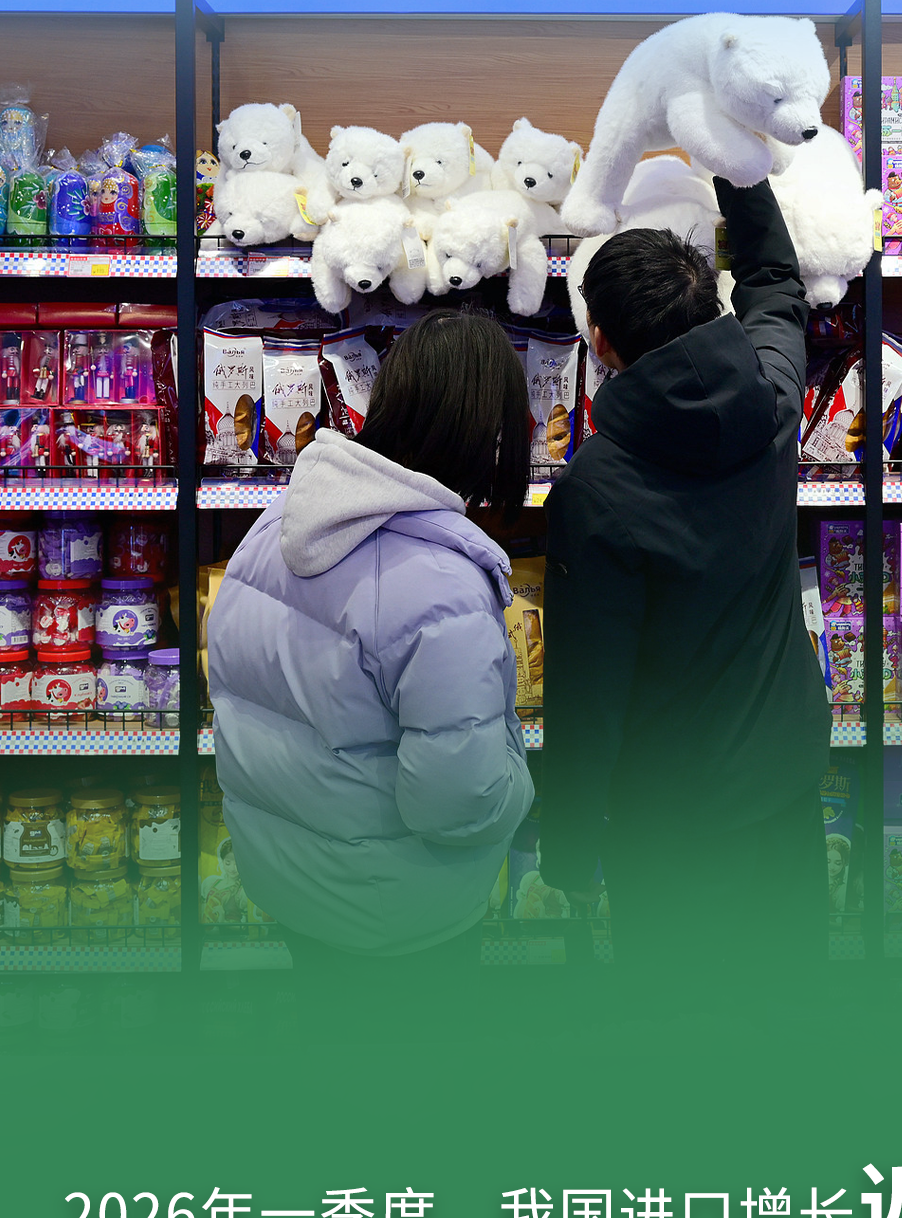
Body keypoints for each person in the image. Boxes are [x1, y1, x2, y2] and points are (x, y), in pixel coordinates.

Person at [538, 176, 832, 964]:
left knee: (676, 1014)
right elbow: (775, 280)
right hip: (784, 782)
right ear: (710, 307)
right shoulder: (773, 404)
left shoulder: (595, 492)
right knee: (792, 998)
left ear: (599, 341)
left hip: (669, 817)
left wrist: (568, 848)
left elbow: (588, 689)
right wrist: (737, 166)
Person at [208, 311, 534, 966]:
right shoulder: (442, 585)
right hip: (400, 914)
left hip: (291, 883)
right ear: (489, 430)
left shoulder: (279, 522)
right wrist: (524, 788)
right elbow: (459, 805)